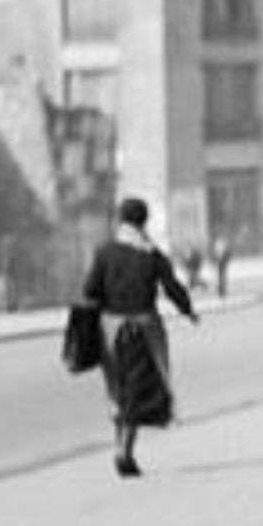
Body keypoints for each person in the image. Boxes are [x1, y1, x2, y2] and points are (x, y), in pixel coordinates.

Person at [81, 197, 199, 478]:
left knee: (119, 389)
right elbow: (173, 288)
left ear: (121, 221)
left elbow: (89, 290)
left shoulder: (104, 252)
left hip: (111, 331)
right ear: (143, 222)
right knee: (136, 391)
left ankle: (122, 448)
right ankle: (124, 452)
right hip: (143, 331)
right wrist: (188, 312)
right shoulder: (151, 254)